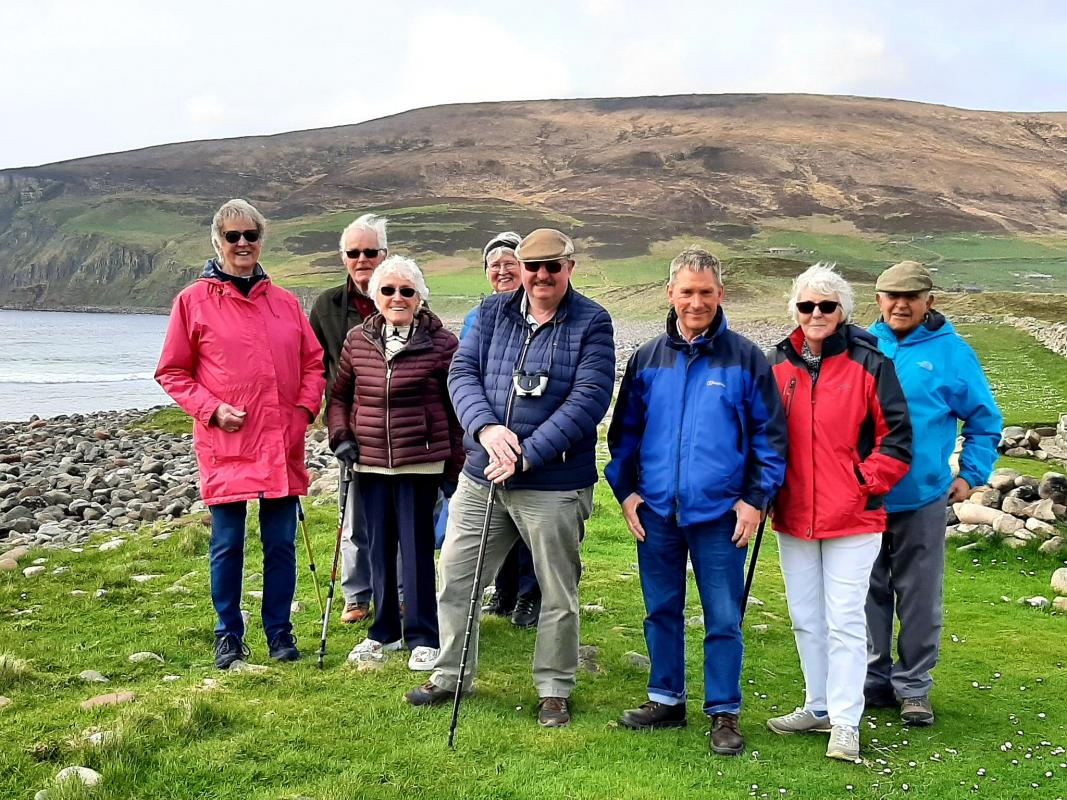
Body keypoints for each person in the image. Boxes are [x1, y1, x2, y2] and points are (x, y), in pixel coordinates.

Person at [403, 228, 614, 728]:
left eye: (552, 266)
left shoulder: (593, 321)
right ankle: (451, 673)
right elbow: (462, 374)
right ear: (520, 269)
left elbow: (589, 400)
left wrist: (526, 455)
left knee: (557, 591)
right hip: (482, 476)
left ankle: (554, 688)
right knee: (456, 577)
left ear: (569, 267)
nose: (542, 276)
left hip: (555, 483)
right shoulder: (492, 312)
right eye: (532, 266)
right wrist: (485, 427)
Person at [606, 247, 787, 755]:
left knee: (723, 616)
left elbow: (770, 438)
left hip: (722, 514)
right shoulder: (647, 358)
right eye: (687, 292)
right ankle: (666, 700)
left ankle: (724, 711)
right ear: (670, 293)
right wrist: (626, 493)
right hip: (657, 511)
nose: (696, 302)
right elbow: (625, 434)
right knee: (661, 609)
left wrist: (755, 499)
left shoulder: (746, 358)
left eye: (706, 292)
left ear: (720, 294)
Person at [155, 198, 325, 669]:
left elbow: (314, 363)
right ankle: (228, 634)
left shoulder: (285, 302)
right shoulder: (192, 301)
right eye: (233, 236)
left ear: (261, 240)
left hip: (281, 441)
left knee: (281, 543)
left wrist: (304, 411)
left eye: (251, 235)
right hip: (226, 442)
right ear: (218, 242)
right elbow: (172, 372)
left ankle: (280, 632)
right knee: (228, 544)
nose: (243, 243)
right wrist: (211, 410)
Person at [766, 263, 912, 762]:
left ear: (843, 311)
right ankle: (818, 705)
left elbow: (896, 439)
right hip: (794, 514)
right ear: (795, 309)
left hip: (853, 517)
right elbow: (762, 435)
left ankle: (846, 722)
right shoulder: (775, 365)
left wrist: (862, 483)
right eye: (806, 305)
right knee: (806, 617)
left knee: (845, 618)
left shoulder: (871, 365)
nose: (816, 313)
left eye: (826, 306)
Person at [865, 261, 1002, 726]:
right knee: (867, 592)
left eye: (911, 297)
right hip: (865, 495)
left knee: (919, 595)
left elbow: (985, 419)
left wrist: (971, 473)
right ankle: (873, 679)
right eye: (892, 296)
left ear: (930, 300)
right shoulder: (861, 345)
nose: (900, 305)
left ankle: (914, 687)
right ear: (878, 299)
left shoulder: (953, 353)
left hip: (923, 497)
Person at [326, 255, 464, 671]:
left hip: (420, 461)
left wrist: (454, 468)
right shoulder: (358, 339)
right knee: (379, 549)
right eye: (388, 290)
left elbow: (456, 409)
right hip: (369, 462)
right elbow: (339, 397)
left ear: (420, 297)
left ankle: (423, 636)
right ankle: (384, 632)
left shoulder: (443, 343)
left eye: (407, 290)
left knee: (418, 550)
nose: (397, 298)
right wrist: (341, 436)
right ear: (375, 296)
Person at [309, 214, 387, 625]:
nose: (362, 260)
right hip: (351, 428)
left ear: (384, 255)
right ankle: (357, 595)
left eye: (370, 252)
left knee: (400, 514)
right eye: (354, 252)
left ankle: (401, 593)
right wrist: (322, 418)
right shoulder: (327, 306)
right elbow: (312, 365)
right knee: (354, 515)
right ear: (343, 257)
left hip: (400, 428)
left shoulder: (402, 293)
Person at [462, 231, 543, 628]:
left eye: (510, 263)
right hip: (489, 434)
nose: (502, 270)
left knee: (530, 522)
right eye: (494, 265)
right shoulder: (477, 317)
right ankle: (506, 590)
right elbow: (465, 371)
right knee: (497, 517)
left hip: (532, 436)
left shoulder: (540, 311)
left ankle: (530, 595)